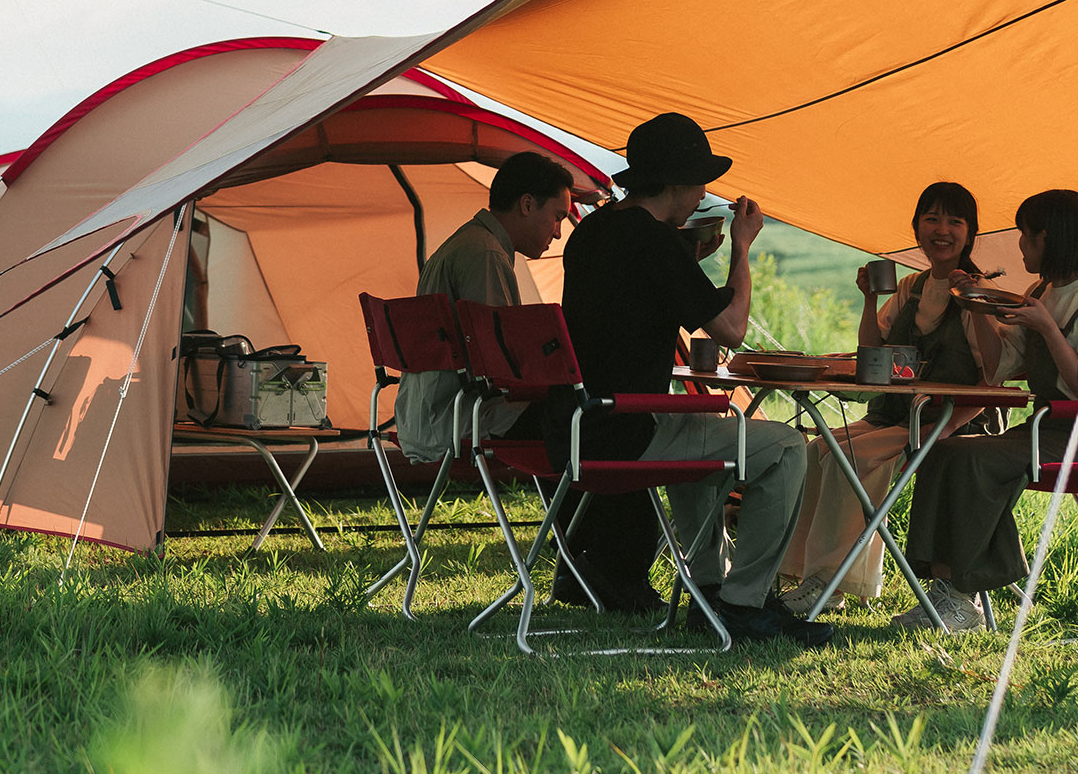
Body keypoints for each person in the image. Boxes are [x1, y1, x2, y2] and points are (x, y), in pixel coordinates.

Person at [550, 112, 830, 646]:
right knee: (786, 447)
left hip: (577, 426)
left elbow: (636, 294)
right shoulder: (653, 241)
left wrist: (687, 258)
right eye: (700, 181)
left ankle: (706, 592)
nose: (704, 193)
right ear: (677, 183)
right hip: (627, 430)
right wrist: (742, 247)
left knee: (699, 434)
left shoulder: (593, 231)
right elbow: (731, 328)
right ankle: (743, 603)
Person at [897, 188, 1078, 632]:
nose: (1021, 244)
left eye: (1026, 234)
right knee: (941, 450)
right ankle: (946, 590)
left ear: (1049, 238)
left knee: (975, 459)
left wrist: (1048, 328)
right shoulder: (1041, 291)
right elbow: (999, 368)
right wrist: (976, 307)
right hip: (1048, 428)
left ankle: (963, 599)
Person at [779, 181, 998, 615]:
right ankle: (808, 575)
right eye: (932, 219)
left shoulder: (977, 292)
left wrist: (945, 427)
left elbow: (992, 380)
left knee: (851, 458)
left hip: (951, 420)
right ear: (916, 229)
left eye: (954, 221)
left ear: (970, 234)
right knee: (818, 450)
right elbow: (872, 356)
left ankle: (830, 581)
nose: (942, 230)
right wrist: (869, 299)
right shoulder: (911, 287)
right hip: (894, 416)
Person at [393, 151, 574, 464]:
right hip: (459, 417)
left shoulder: (468, 242)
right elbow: (502, 365)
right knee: (581, 420)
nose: (558, 232)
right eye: (557, 216)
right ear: (527, 204)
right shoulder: (485, 254)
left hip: (423, 415)